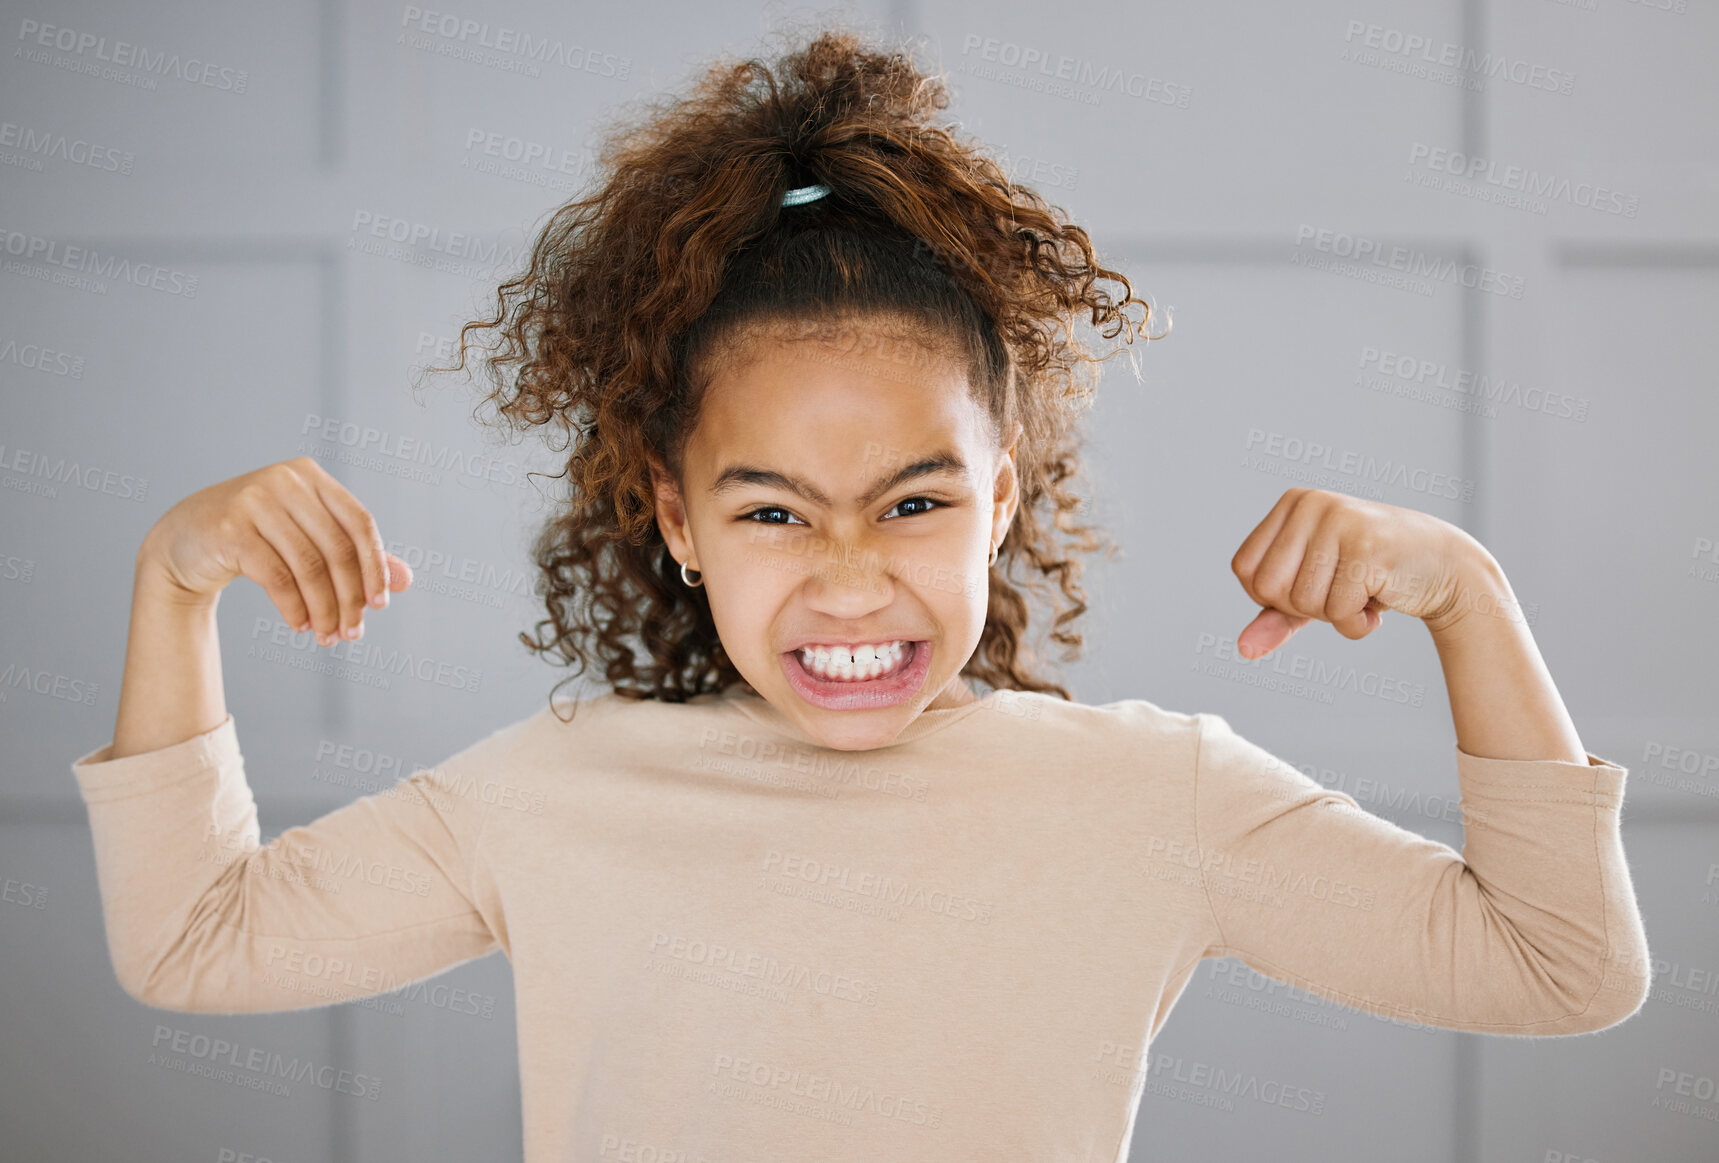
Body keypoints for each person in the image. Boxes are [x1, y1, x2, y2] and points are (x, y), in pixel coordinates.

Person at [71, 24, 1651, 1162]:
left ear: (1004, 501)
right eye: (773, 511)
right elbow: (194, 944)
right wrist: (173, 581)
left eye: (913, 502)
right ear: (676, 519)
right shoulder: (553, 794)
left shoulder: (1153, 796)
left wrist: (1470, 594)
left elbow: (1562, 969)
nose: (848, 581)